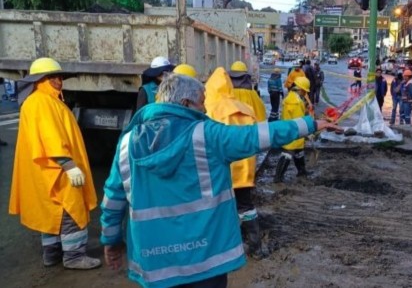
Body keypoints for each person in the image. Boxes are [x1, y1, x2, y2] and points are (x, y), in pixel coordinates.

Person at [101, 73, 338, 287]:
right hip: (206, 261)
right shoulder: (207, 135)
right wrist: (312, 124)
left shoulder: (126, 143)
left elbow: (112, 199)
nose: (204, 110)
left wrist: (111, 240)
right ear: (185, 104)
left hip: (155, 264)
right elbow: (260, 135)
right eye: (201, 102)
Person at [9, 58, 100, 270]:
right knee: (70, 210)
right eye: (52, 77)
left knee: (51, 211)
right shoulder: (42, 102)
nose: (58, 81)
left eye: (59, 77)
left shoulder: (39, 101)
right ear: (41, 80)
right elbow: (50, 137)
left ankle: (52, 253)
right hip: (57, 169)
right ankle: (74, 256)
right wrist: (68, 165)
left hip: (46, 170)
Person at [205, 67, 268, 259]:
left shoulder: (209, 109)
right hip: (245, 168)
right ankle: (255, 245)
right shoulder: (244, 108)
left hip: (221, 169)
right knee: (245, 204)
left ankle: (225, 247)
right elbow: (260, 132)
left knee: (219, 206)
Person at [274, 76, 314, 182]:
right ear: (300, 89)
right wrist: (307, 132)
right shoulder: (296, 102)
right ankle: (278, 178)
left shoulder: (290, 97)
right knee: (287, 153)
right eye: (304, 92)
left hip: (288, 127)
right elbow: (298, 120)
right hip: (293, 131)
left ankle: (302, 171)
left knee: (299, 151)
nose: (305, 94)